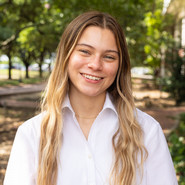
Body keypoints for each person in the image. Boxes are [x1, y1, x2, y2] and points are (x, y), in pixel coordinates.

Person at [4, 11, 178, 185]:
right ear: (66, 56)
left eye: (109, 57)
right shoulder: (31, 135)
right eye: (85, 51)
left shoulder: (147, 132)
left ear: (119, 66)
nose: (95, 65)